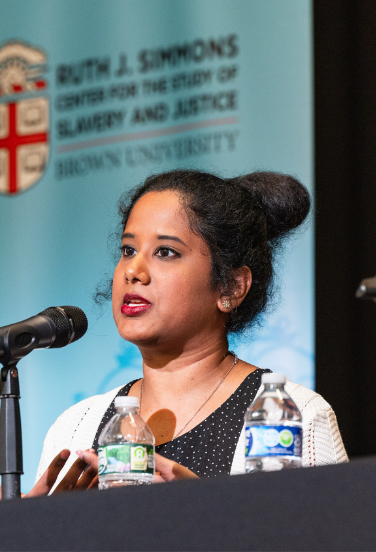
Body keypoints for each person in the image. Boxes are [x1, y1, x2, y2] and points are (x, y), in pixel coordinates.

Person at [28, 170, 348, 495]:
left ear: (231, 287)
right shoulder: (76, 427)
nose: (133, 271)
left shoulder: (292, 417)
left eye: (165, 252)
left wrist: (204, 510)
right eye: (128, 250)